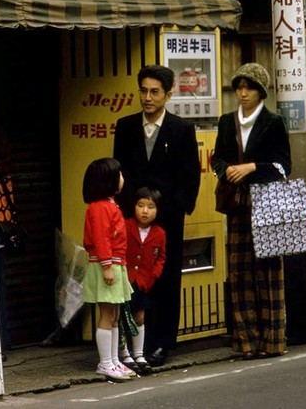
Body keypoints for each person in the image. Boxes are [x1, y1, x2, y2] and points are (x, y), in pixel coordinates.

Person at [113, 64, 200, 367]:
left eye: (154, 92)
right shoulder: (125, 127)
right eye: (143, 91)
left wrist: (172, 209)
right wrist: (128, 210)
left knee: (165, 278)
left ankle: (162, 342)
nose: (147, 98)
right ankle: (132, 344)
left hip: (167, 218)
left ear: (168, 94)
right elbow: (119, 174)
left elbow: (191, 177)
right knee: (132, 279)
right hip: (131, 218)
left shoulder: (182, 129)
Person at [211, 63, 291, 360]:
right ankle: (246, 341)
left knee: (269, 271)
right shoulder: (226, 121)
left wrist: (253, 167)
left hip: (267, 201)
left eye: (250, 88)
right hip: (237, 203)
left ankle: (273, 341)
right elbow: (217, 158)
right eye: (240, 88)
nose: (243, 94)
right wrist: (227, 170)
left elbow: (284, 165)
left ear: (260, 92)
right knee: (240, 271)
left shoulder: (274, 122)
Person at [81, 157, 134, 382]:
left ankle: (113, 361)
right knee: (108, 315)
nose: (122, 178)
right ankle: (106, 362)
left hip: (113, 264)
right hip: (108, 265)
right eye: (119, 174)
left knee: (114, 315)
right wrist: (107, 266)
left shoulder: (107, 205)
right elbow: (102, 239)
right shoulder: (102, 208)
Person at [120, 187, 166, 375]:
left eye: (150, 207)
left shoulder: (160, 233)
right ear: (134, 207)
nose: (145, 211)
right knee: (122, 318)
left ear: (157, 210)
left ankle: (139, 354)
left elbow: (161, 258)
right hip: (126, 280)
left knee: (139, 317)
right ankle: (124, 353)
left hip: (144, 282)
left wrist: (153, 275)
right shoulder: (126, 225)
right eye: (140, 206)